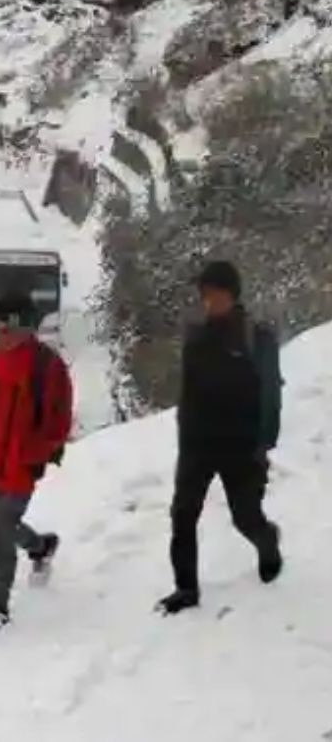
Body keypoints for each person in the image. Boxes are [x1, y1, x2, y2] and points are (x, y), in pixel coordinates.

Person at [157, 260, 283, 615]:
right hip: (197, 444)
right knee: (182, 515)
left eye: (215, 294)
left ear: (232, 294)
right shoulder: (196, 336)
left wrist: (263, 443)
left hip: (240, 446)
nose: (209, 302)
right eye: (205, 295)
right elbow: (189, 391)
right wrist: (185, 433)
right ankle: (186, 589)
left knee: (244, 516)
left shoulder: (256, 337)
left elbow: (271, 393)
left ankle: (267, 540)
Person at [0, 289, 74, 628]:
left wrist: (35, 452)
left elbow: (59, 420)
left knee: (1, 529)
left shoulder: (47, 366)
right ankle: (40, 546)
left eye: (8, 326)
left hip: (22, 465)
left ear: (26, 327)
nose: (1, 333)